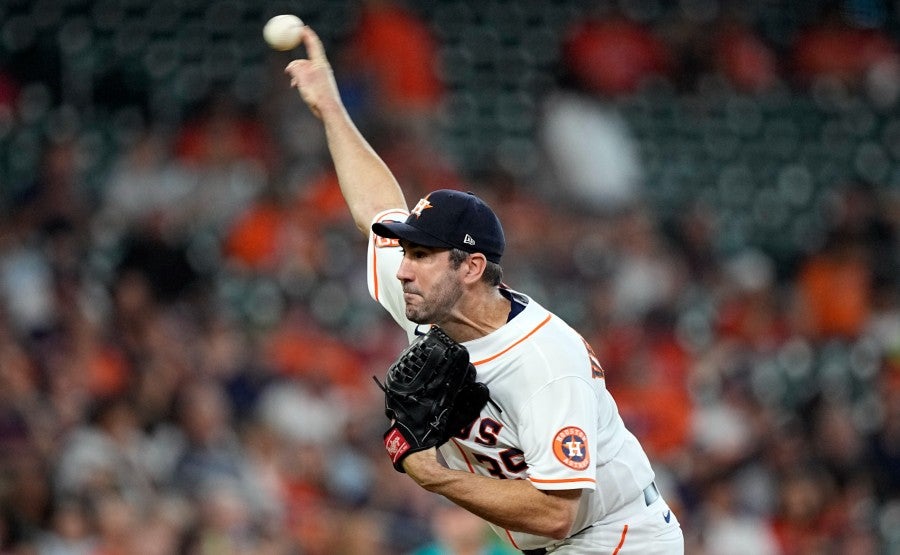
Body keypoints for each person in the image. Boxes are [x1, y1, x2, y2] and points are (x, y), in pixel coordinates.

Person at [285, 27, 684, 554]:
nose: (403, 269)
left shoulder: (544, 362)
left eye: (420, 254)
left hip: (616, 539)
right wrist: (332, 111)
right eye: (407, 253)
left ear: (471, 267)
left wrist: (434, 476)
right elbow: (376, 211)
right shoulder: (429, 301)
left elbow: (556, 514)